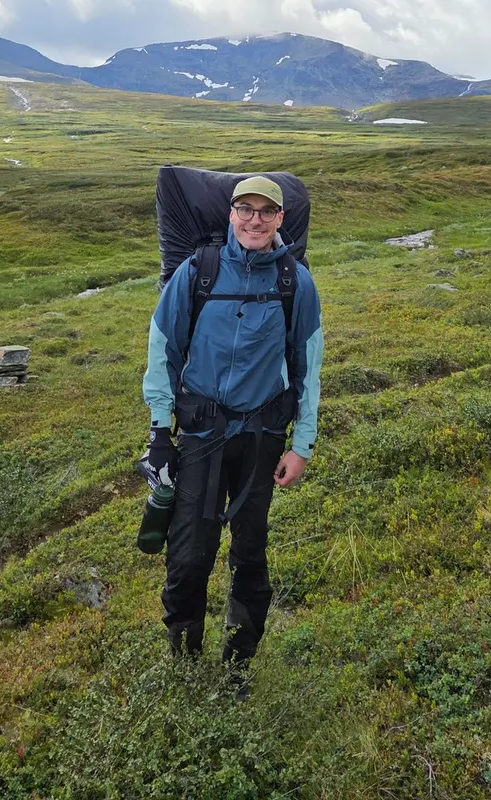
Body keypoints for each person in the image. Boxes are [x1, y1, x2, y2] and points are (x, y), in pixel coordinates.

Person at [142, 175, 323, 676]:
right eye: (246, 209)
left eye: (266, 212)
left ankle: (237, 668)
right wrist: (160, 433)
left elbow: (309, 367)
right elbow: (163, 351)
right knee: (187, 557)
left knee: (250, 555)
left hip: (262, 440)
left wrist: (301, 445)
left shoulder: (294, 282)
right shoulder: (197, 272)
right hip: (200, 437)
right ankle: (183, 660)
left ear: (280, 220)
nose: (255, 220)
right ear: (231, 214)